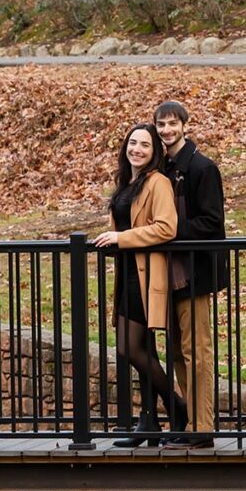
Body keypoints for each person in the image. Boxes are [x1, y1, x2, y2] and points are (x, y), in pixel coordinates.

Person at [93, 123, 187, 447]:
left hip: (146, 275)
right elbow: (123, 222)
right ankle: (149, 420)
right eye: (133, 143)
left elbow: (166, 227)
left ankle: (178, 409)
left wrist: (122, 238)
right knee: (142, 350)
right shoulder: (128, 182)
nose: (137, 149)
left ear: (154, 151)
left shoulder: (158, 182)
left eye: (145, 145)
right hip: (126, 272)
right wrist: (110, 241)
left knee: (130, 347)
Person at [154, 101, 229, 450]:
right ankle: (187, 424)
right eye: (161, 124)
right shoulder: (163, 169)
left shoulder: (202, 167)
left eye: (172, 123)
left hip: (194, 273)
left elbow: (212, 223)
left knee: (196, 352)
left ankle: (203, 429)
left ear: (185, 125)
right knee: (175, 353)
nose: (167, 130)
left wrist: (168, 231)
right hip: (168, 273)